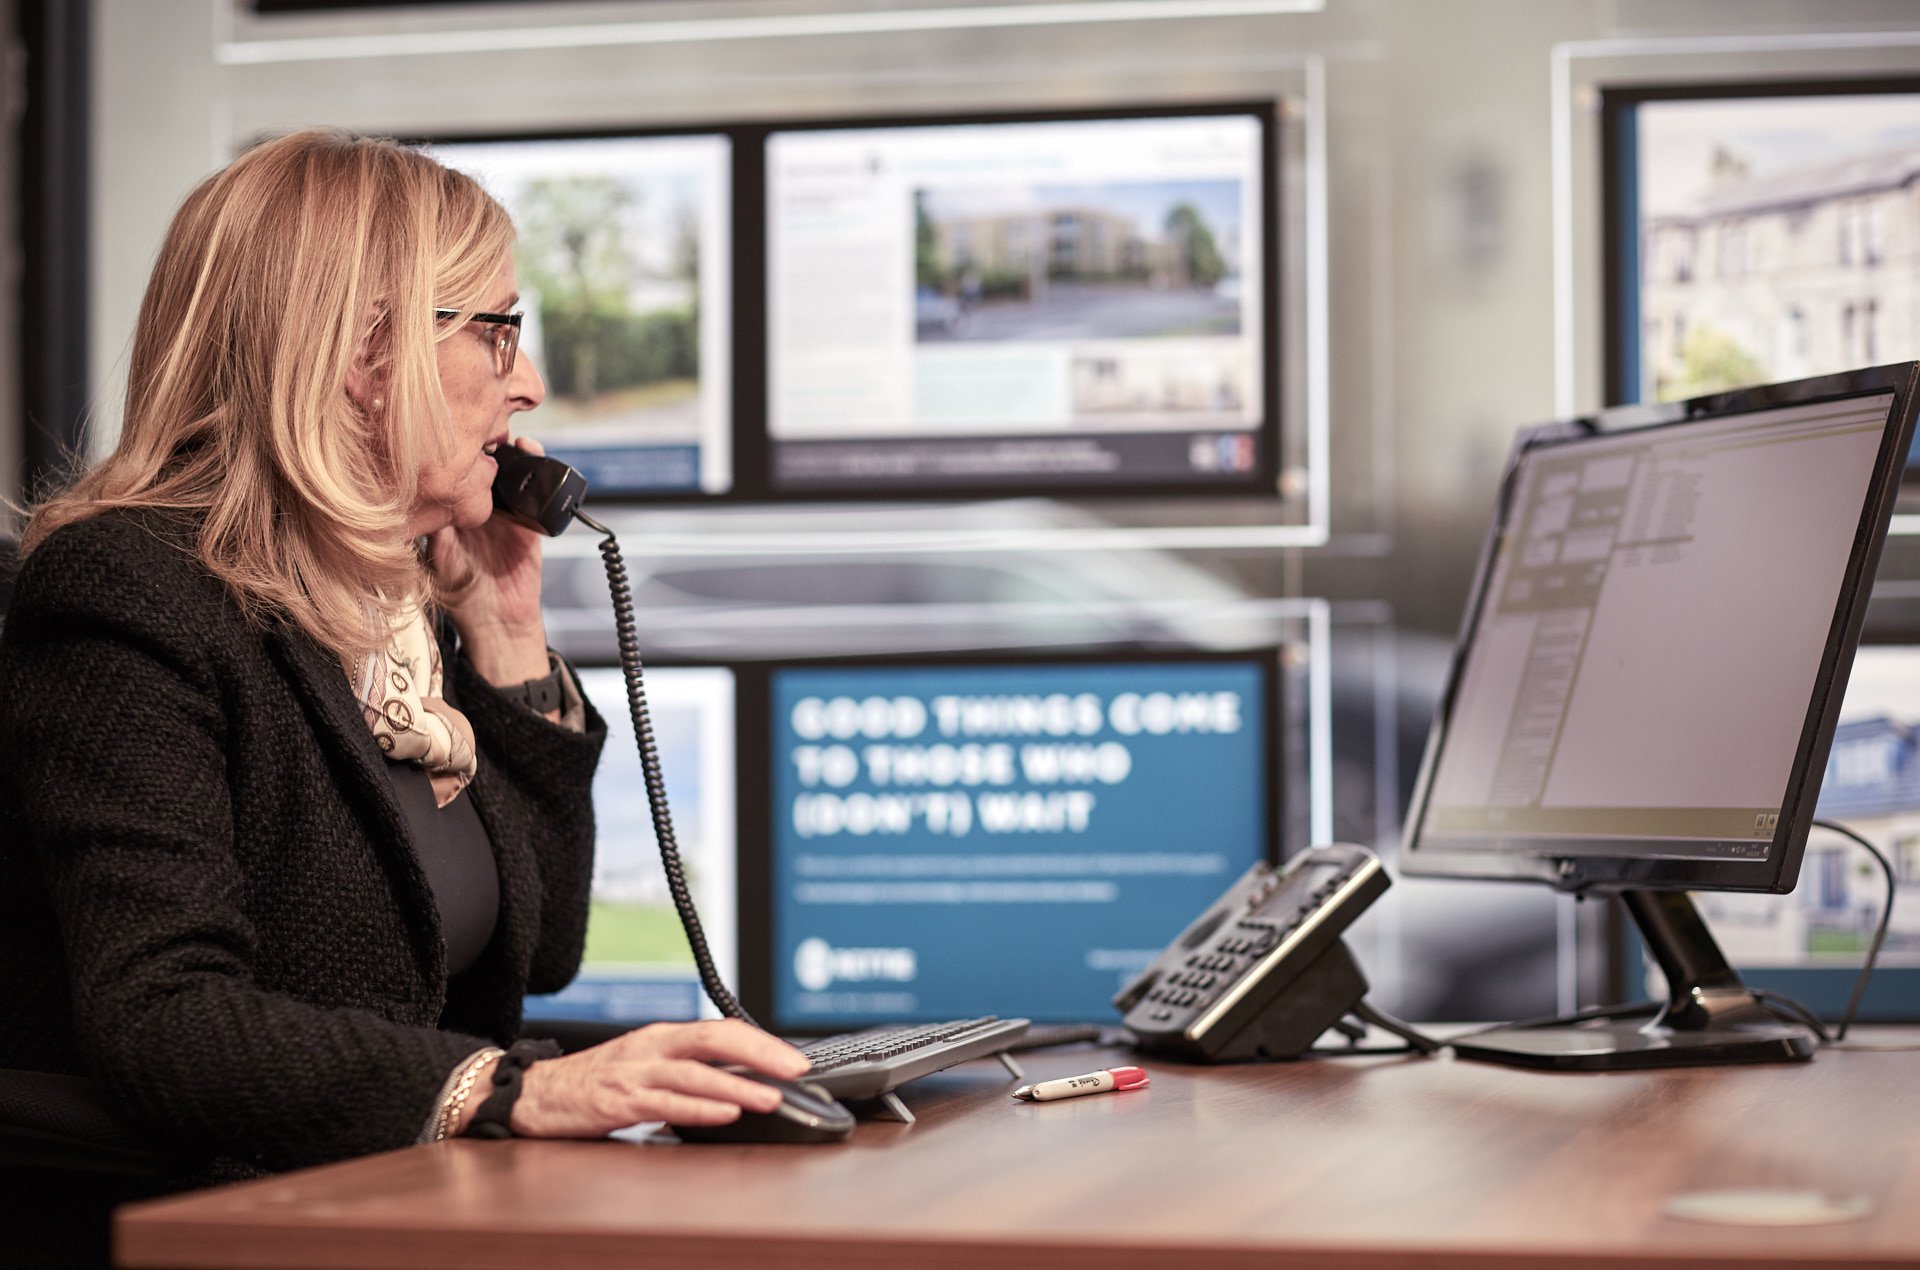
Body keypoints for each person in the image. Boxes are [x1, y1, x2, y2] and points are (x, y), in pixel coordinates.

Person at [0, 128, 809, 1189]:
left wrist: (510, 630)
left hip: (382, 1200)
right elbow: (166, 1013)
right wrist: (512, 1090)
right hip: (209, 1221)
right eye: (499, 333)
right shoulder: (129, 592)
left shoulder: (393, 608)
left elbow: (545, 944)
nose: (530, 384)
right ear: (358, 355)